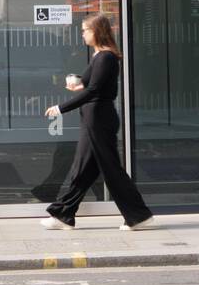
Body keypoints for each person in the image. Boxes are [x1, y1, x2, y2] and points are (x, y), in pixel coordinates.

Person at [42, 14, 154, 231]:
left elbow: (94, 91)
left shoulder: (106, 57)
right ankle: (63, 214)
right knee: (82, 169)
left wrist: (61, 108)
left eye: (85, 30)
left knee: (111, 170)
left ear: (97, 32)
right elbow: (89, 84)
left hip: (99, 120)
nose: (82, 34)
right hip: (94, 118)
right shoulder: (99, 57)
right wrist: (77, 84)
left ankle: (139, 215)